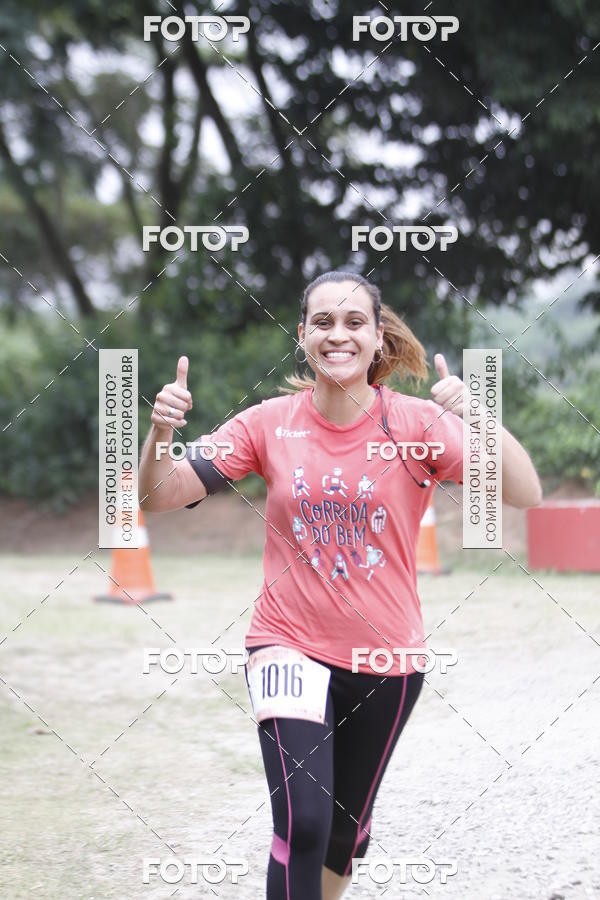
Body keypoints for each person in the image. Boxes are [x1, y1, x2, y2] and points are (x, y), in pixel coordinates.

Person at [138, 270, 542, 899]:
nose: (338, 335)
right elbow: (158, 494)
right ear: (302, 335)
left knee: (343, 836)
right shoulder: (268, 423)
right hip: (286, 644)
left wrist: (479, 417)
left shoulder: (418, 424)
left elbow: (525, 492)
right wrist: (161, 434)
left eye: (354, 322)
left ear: (377, 336)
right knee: (304, 823)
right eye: (322, 322)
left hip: (388, 660)